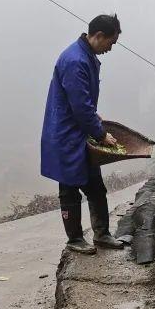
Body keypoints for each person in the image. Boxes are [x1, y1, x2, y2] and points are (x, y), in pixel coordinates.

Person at [41, 14, 124, 254]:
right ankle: (75, 239)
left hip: (79, 133)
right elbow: (79, 106)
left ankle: (102, 234)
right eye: (111, 42)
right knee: (69, 188)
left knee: (95, 186)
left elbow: (82, 100)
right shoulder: (75, 61)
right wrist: (100, 134)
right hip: (66, 135)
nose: (111, 48)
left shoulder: (86, 56)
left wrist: (94, 115)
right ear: (98, 36)